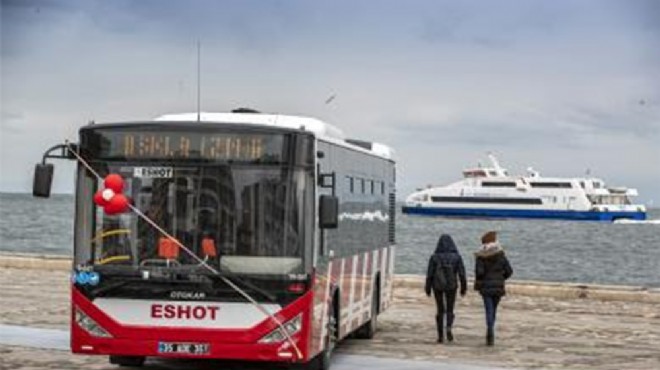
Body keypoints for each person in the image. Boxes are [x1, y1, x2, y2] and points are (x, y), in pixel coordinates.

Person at [425, 234, 467, 343]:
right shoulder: (457, 257)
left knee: (440, 309)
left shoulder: (434, 257)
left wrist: (428, 288)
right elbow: (462, 273)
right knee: (450, 308)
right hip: (452, 285)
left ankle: (440, 336)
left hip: (437, 285)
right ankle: (448, 327)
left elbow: (429, 274)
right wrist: (463, 287)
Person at [474, 231, 513, 346]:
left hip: (486, 286)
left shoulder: (481, 256)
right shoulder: (501, 255)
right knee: (494, 309)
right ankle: (491, 327)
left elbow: (479, 272)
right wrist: (501, 278)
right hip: (498, 286)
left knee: (488, 309)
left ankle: (489, 329)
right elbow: (509, 271)